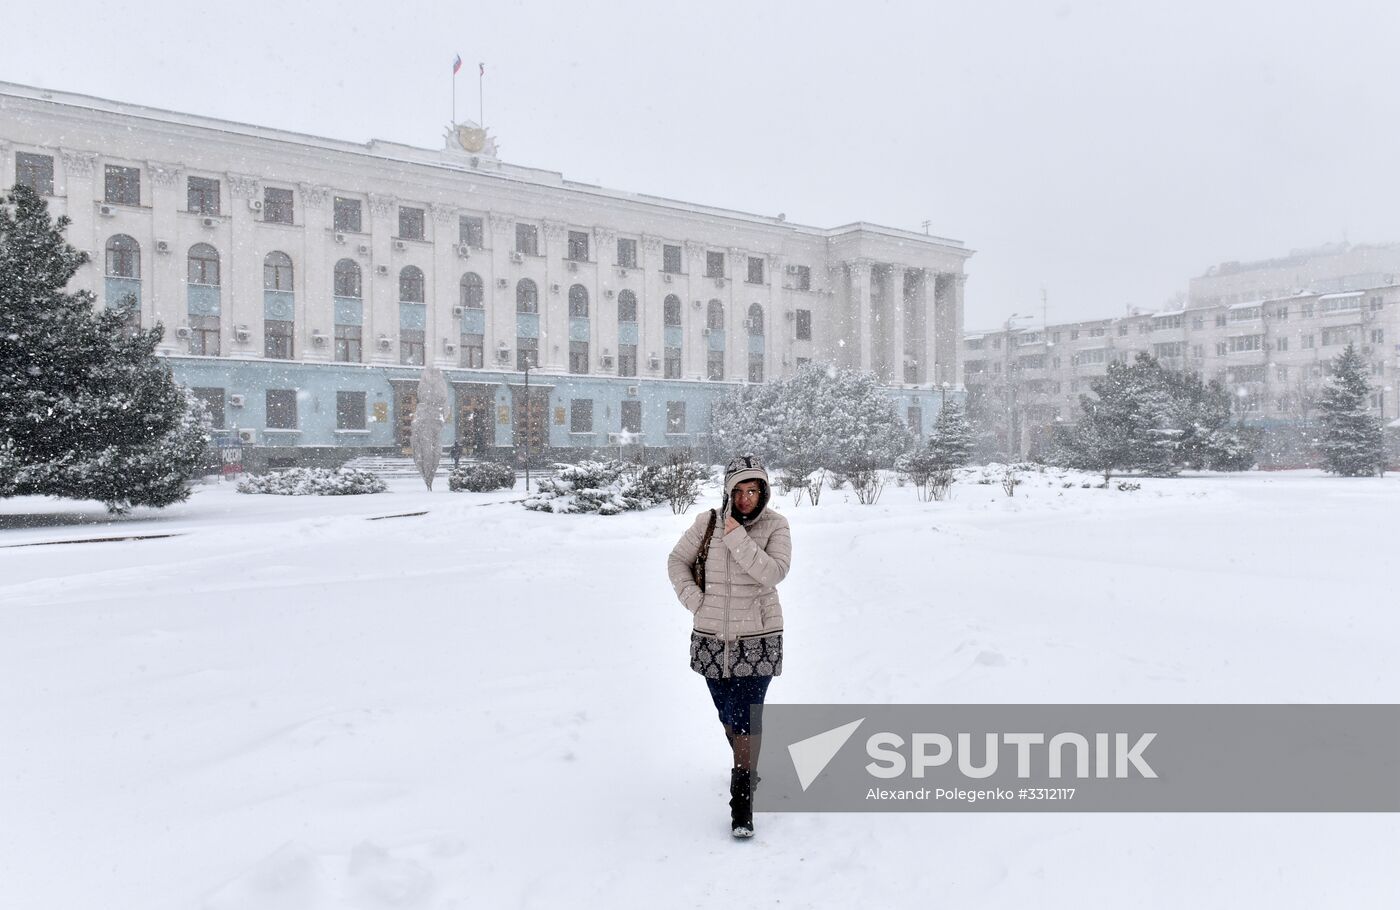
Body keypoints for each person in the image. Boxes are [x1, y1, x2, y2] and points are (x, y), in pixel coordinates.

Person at [667, 453, 792, 838]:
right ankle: (745, 765)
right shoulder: (706, 522)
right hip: (711, 639)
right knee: (727, 712)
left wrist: (736, 535)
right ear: (727, 491)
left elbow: (774, 571)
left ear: (764, 491)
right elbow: (677, 562)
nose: (745, 499)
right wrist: (696, 601)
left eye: (752, 491)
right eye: (737, 491)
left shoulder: (776, 526)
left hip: (757, 638)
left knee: (747, 716)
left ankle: (742, 799)